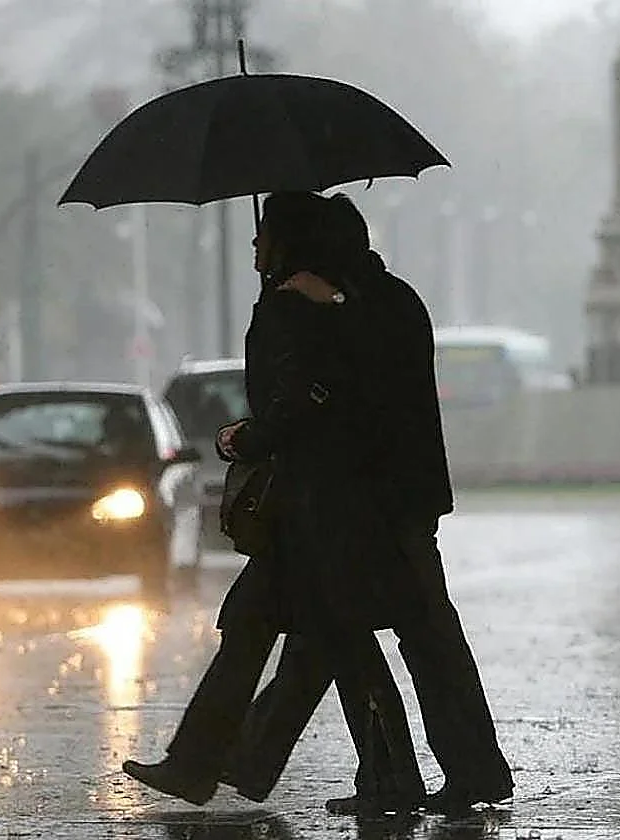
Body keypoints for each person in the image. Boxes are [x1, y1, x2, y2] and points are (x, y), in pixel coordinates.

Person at [121, 192, 425, 811]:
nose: (255, 245)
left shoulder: (299, 306)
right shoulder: (309, 301)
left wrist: (247, 437)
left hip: (315, 509)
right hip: (313, 506)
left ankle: (215, 764)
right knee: (300, 637)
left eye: (265, 236)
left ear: (288, 243)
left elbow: (309, 397)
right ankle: (216, 762)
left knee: (323, 640)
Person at [225, 193, 514, 817]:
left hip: (361, 505)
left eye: (266, 235)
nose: (255, 246)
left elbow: (339, 392)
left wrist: (323, 308)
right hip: (402, 499)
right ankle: (461, 771)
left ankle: (400, 777)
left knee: (364, 635)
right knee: (417, 637)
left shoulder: (345, 308)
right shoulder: (393, 299)